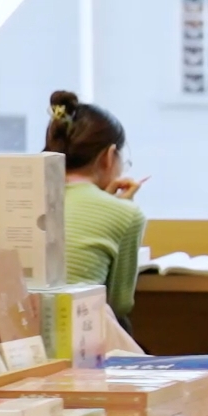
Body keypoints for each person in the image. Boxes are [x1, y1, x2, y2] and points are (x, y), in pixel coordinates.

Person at [49, 92, 145, 322]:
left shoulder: (26, 195)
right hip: (73, 330)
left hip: (13, 330)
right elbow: (119, 303)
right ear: (109, 156)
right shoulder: (126, 213)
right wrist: (117, 206)